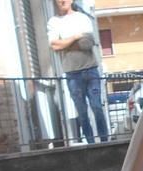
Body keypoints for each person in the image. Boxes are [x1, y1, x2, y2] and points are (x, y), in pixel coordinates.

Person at [47, 0, 109, 143]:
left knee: (97, 107)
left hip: (90, 69)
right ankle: (91, 143)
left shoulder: (82, 18)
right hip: (72, 72)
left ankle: (105, 141)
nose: (62, 1)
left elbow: (87, 43)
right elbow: (54, 46)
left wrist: (64, 44)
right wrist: (75, 37)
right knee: (82, 112)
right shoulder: (53, 22)